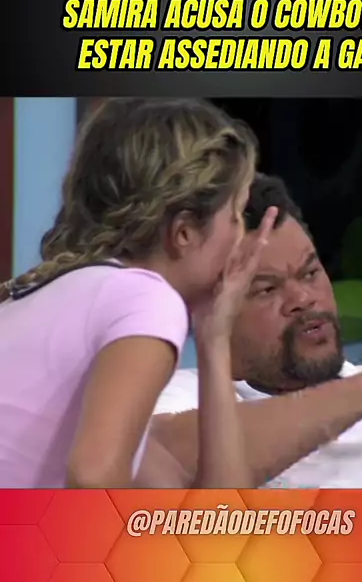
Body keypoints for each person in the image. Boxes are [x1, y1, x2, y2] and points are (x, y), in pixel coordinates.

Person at [0, 97, 278, 489]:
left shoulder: (54, 296)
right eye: (236, 214)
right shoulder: (145, 300)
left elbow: (212, 513)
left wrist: (214, 339)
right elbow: (94, 477)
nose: (241, 237)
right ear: (184, 232)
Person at [144, 173, 362, 488]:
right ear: (203, 308)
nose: (303, 298)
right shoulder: (183, 395)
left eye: (310, 273)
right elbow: (167, 460)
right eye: (266, 289)